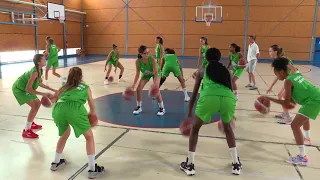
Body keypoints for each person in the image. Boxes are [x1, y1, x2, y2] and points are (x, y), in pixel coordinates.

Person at [180, 48, 241, 176]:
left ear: (206, 59)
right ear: (219, 58)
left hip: (209, 97)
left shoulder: (202, 71)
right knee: (228, 129)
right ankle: (236, 164)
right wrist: (232, 113)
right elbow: (230, 90)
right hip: (228, 99)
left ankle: (190, 165)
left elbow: (194, 93)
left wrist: (189, 112)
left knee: (195, 129)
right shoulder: (227, 71)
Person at [262, 57, 320, 165]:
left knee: (294, 125)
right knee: (303, 117)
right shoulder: (295, 72)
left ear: (282, 72)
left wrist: (269, 98)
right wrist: (282, 61)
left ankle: (302, 157)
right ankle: (307, 139)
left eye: (277, 74)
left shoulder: (288, 81)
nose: (277, 76)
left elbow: (286, 103)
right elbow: (291, 66)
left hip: (313, 101)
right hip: (316, 95)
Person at [50, 67, 105, 178]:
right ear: (81, 77)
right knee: (89, 137)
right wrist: (92, 114)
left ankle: (55, 162)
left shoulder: (64, 87)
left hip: (58, 110)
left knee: (64, 134)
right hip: (74, 111)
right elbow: (92, 105)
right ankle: (92, 169)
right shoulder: (85, 87)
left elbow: (53, 100)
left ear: (69, 76)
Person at [12, 54, 57, 138]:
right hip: (19, 89)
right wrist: (44, 94)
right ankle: (26, 131)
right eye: (43, 59)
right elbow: (28, 89)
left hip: (25, 89)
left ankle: (31, 123)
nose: (45, 60)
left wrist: (54, 90)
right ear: (38, 62)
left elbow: (40, 83)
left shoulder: (40, 70)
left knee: (38, 104)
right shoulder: (34, 73)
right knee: (35, 106)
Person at [266, 45, 300, 125]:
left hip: (295, 78)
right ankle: (285, 114)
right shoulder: (278, 60)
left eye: (271, 51)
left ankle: (288, 119)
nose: (269, 53)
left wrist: (289, 80)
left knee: (283, 97)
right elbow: (278, 75)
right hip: (291, 78)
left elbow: (293, 69)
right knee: (280, 95)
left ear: (276, 52)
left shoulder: (283, 59)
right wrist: (271, 86)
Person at [132, 45, 165, 116]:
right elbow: (137, 74)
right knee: (138, 89)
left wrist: (155, 84)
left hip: (156, 72)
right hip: (146, 73)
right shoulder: (137, 62)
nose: (147, 54)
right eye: (145, 53)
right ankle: (139, 107)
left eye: (148, 53)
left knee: (156, 89)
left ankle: (162, 108)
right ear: (140, 54)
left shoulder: (151, 59)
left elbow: (156, 73)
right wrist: (133, 85)